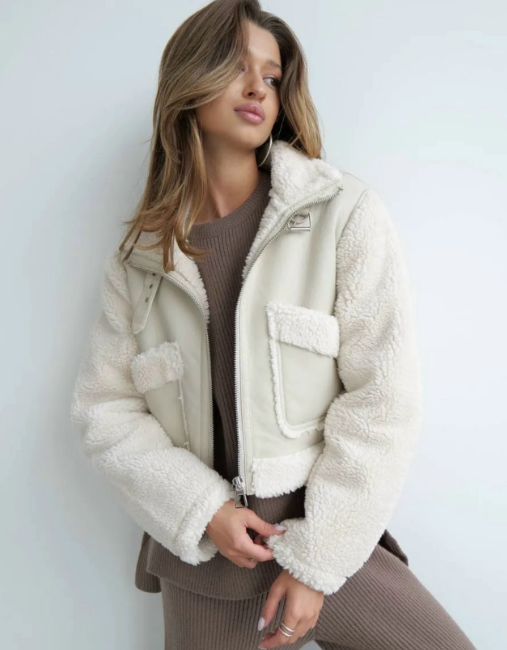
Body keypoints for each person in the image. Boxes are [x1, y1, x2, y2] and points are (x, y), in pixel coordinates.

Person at [70, 1, 478, 649]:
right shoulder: (142, 258)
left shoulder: (342, 214)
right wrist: (205, 510)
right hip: (205, 555)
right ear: (191, 78)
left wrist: (315, 562)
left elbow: (383, 399)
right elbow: (105, 410)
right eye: (236, 67)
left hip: (324, 532)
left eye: (271, 75)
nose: (258, 87)